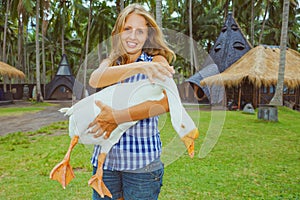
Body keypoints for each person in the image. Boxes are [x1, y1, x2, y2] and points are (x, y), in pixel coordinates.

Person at [88, 3, 176, 200]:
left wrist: (117, 117)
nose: (132, 36)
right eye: (127, 29)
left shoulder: (157, 61)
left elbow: (167, 102)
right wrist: (139, 68)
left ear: (147, 36)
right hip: (106, 162)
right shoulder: (111, 62)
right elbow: (95, 78)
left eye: (140, 31)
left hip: (142, 165)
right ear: (119, 32)